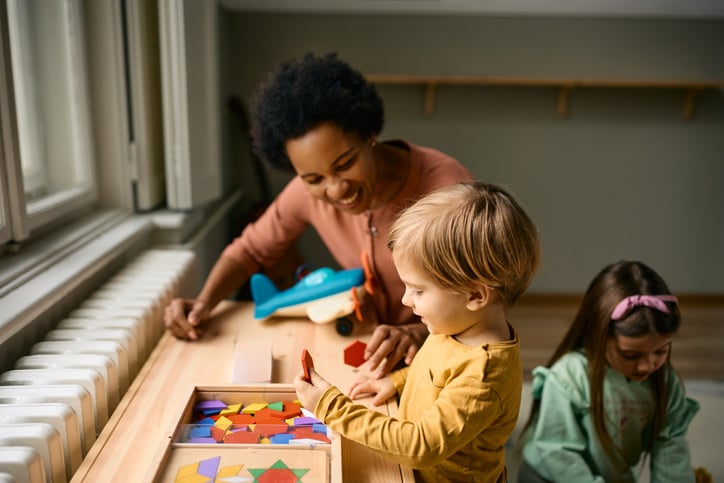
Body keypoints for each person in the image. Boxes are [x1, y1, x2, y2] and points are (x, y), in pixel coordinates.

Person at [163, 52, 473, 376]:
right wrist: (203, 303)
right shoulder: (304, 193)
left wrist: (418, 333)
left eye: (345, 164)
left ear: (369, 134)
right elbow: (250, 250)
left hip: (442, 360)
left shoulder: (446, 188)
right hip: (372, 355)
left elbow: (480, 302)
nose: (336, 190)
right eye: (314, 179)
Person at [294, 182, 541, 482]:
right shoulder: (456, 325)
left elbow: (420, 446)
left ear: (475, 296)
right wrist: (397, 382)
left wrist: (330, 407)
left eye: (419, 290)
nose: (405, 300)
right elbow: (435, 372)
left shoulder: (483, 377)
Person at [517, 260, 700, 483]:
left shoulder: (664, 382)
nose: (648, 366)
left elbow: (671, 449)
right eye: (631, 355)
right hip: (549, 475)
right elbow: (557, 453)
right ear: (599, 336)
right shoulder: (568, 376)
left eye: (661, 351)